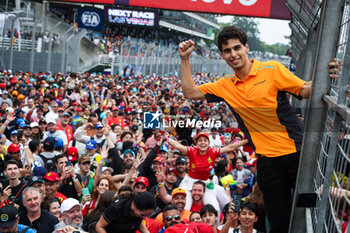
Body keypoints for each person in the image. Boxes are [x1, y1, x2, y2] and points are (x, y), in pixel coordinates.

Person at [178, 26, 314, 233]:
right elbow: (190, 92)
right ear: (222, 56)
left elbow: (304, 90)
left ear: (246, 48)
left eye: (237, 48)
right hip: (267, 161)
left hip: (297, 153)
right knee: (278, 222)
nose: (233, 54)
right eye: (227, 51)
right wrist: (185, 59)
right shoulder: (225, 85)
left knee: (311, 211)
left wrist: (328, 78)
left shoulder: (272, 69)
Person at [167, 132, 246, 215]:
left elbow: (231, 147)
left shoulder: (213, 152)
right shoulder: (192, 150)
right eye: (200, 140)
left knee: (215, 210)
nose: (203, 142)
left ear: (209, 143)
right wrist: (167, 138)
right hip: (189, 182)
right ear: (196, 143)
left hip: (205, 183)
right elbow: (178, 146)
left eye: (205, 140)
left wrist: (247, 141)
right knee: (184, 208)